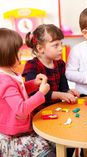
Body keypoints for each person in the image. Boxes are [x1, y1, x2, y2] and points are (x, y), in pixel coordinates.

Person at [0, 28, 55, 157]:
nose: (22, 53)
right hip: (13, 135)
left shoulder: (10, 72)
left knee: (55, 142)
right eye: (18, 51)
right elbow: (21, 108)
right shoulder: (4, 80)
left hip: (23, 128)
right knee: (48, 151)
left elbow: (19, 90)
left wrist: (33, 84)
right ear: (7, 54)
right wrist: (41, 94)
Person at [23, 24, 80, 112]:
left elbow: (63, 87)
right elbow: (34, 94)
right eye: (55, 45)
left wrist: (68, 92)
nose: (61, 48)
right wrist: (60, 95)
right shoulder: (32, 65)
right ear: (40, 48)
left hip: (57, 109)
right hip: (39, 112)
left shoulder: (60, 63)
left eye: (61, 44)